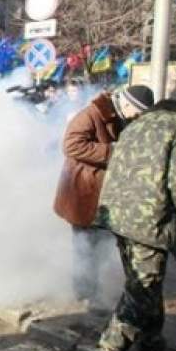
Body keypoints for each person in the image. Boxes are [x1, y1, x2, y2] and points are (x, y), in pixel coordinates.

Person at [85, 88, 176, 351]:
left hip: (119, 213)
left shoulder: (142, 121)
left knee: (143, 281)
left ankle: (150, 340)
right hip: (150, 219)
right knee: (142, 289)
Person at [53, 86, 154, 307]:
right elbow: (71, 145)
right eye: (137, 112)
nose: (137, 117)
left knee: (101, 242)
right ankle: (86, 294)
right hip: (84, 190)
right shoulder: (92, 113)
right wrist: (113, 152)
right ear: (127, 104)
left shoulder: (119, 115)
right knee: (86, 245)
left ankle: (95, 287)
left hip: (103, 191)